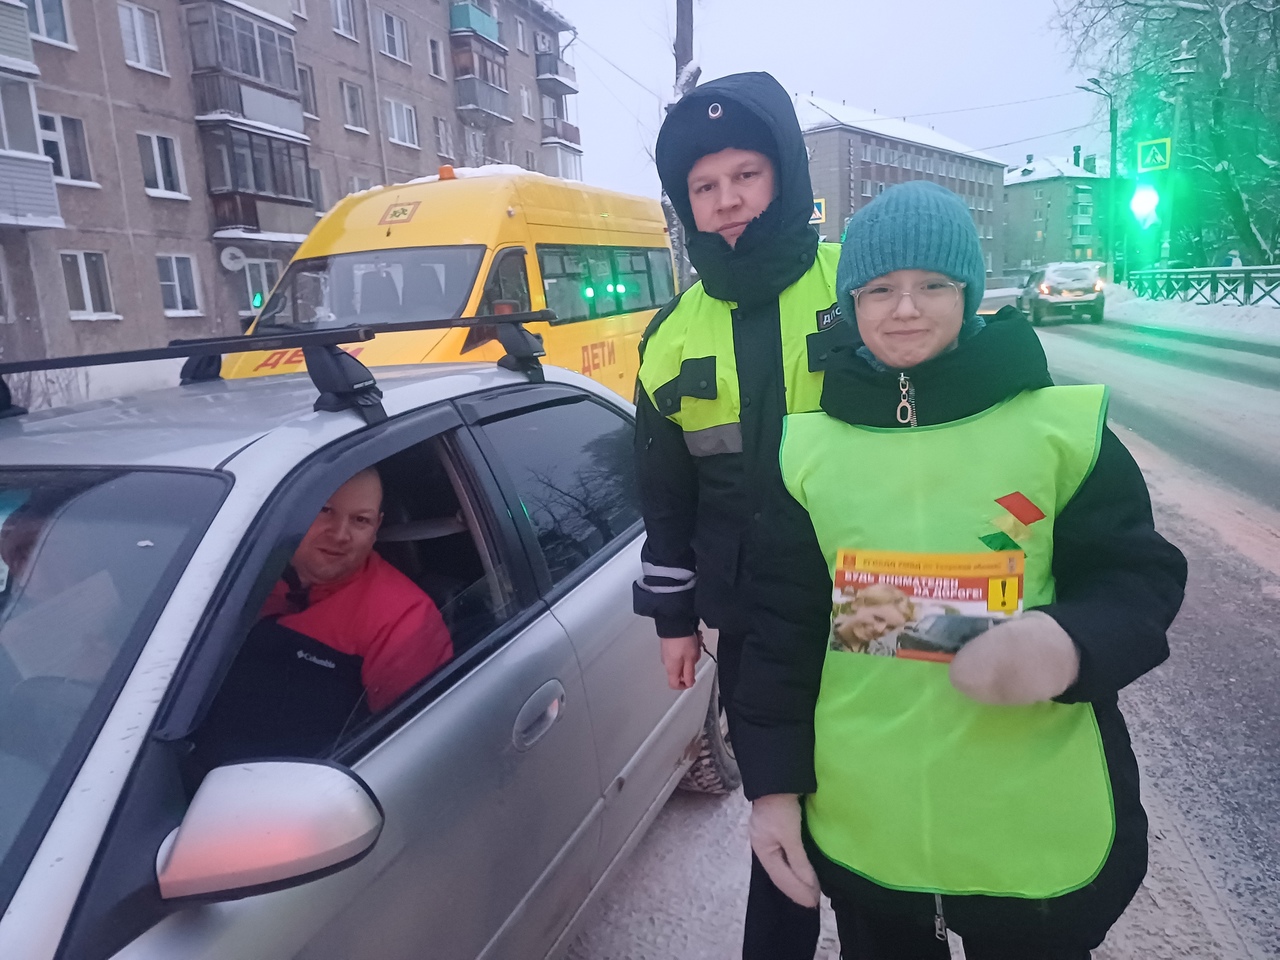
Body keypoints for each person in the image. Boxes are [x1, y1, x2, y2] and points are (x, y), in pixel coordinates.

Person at [733, 180, 1188, 959]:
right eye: (880, 290)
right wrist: (773, 787)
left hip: (1029, 823)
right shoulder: (806, 452)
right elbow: (781, 633)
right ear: (850, 303)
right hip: (870, 821)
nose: (905, 309)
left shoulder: (1059, 431)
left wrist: (1067, 642)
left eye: (933, 286)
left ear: (970, 294)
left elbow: (1137, 580)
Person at [634, 72, 853, 959]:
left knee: (877, 833)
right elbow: (665, 495)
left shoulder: (860, 288)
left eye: (746, 175)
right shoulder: (670, 336)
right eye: (704, 186)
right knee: (779, 828)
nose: (726, 201)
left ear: (786, 176)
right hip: (757, 626)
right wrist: (674, 619)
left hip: (872, 607)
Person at [195, 467, 452, 766]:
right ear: (296, 512)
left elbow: (411, 750)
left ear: (377, 527)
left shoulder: (404, 618)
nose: (340, 534)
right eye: (325, 510)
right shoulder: (229, 574)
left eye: (360, 520)